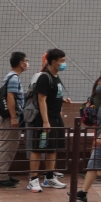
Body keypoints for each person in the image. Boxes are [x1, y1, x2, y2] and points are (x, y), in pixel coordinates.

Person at [28, 49, 69, 193]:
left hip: (56, 118)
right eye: (62, 60)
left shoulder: (56, 77)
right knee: (39, 148)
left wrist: (62, 100)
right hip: (46, 119)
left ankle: (49, 177)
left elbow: (52, 95)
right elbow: (41, 99)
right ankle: (33, 180)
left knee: (53, 148)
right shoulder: (45, 77)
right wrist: (45, 121)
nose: (64, 63)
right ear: (53, 62)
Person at [0, 52, 28, 188]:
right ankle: (0, 177)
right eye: (26, 61)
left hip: (7, 116)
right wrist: (13, 117)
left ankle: (2, 175)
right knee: (6, 146)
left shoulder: (10, 76)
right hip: (10, 117)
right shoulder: (14, 78)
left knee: (5, 145)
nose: (27, 64)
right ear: (20, 63)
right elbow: (10, 97)